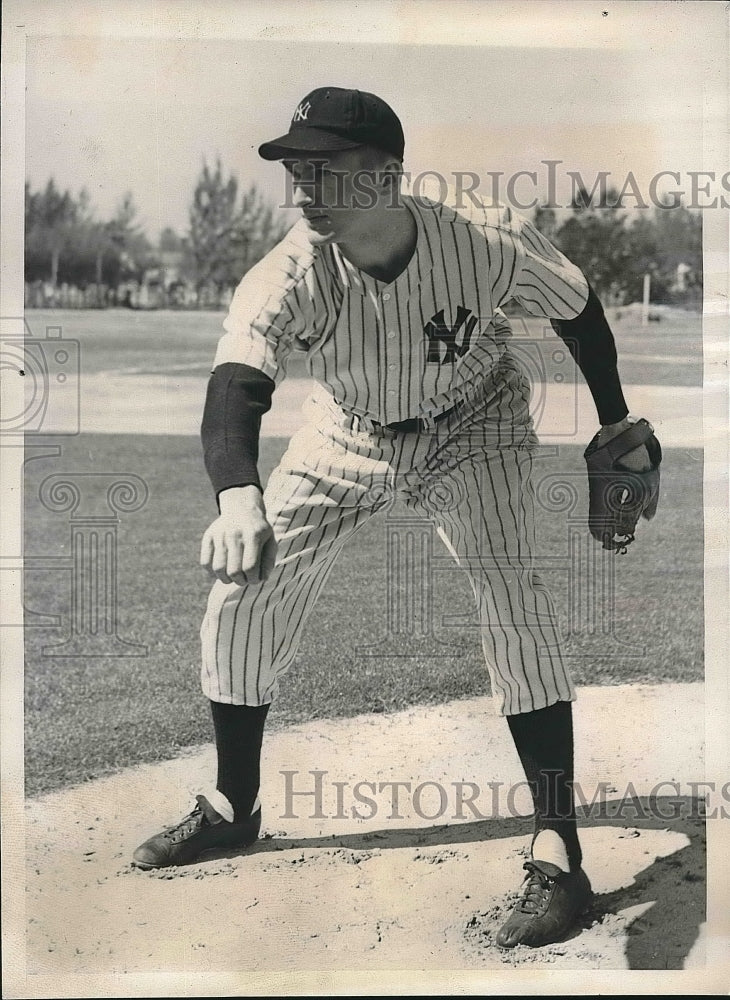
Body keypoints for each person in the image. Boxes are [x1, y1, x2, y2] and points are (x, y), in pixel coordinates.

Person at [133, 87, 652, 948]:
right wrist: (236, 494)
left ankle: (558, 843)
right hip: (346, 431)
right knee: (242, 595)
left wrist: (614, 420)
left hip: (473, 421)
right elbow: (236, 386)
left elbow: (579, 309)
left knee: (511, 597)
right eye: (296, 171)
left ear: (384, 178)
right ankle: (233, 803)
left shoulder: (484, 239)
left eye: (324, 170)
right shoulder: (291, 270)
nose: (303, 190)